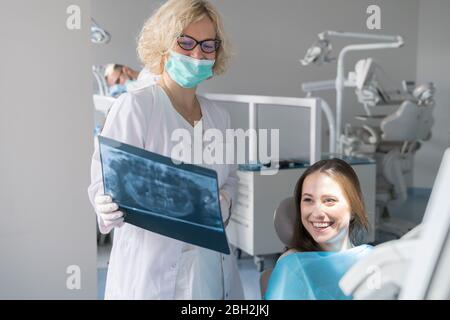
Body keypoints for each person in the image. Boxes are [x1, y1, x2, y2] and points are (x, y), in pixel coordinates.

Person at [87, 0, 244, 299]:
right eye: (185, 42)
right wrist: (104, 203)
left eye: (207, 45)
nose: (197, 53)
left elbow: (230, 179)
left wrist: (224, 200)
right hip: (151, 275)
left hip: (209, 269)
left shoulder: (219, 117)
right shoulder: (136, 107)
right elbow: (102, 182)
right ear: (163, 45)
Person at [265, 158, 373, 300]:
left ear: (353, 209)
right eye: (308, 200)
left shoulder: (373, 260)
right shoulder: (293, 266)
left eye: (329, 200)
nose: (317, 213)